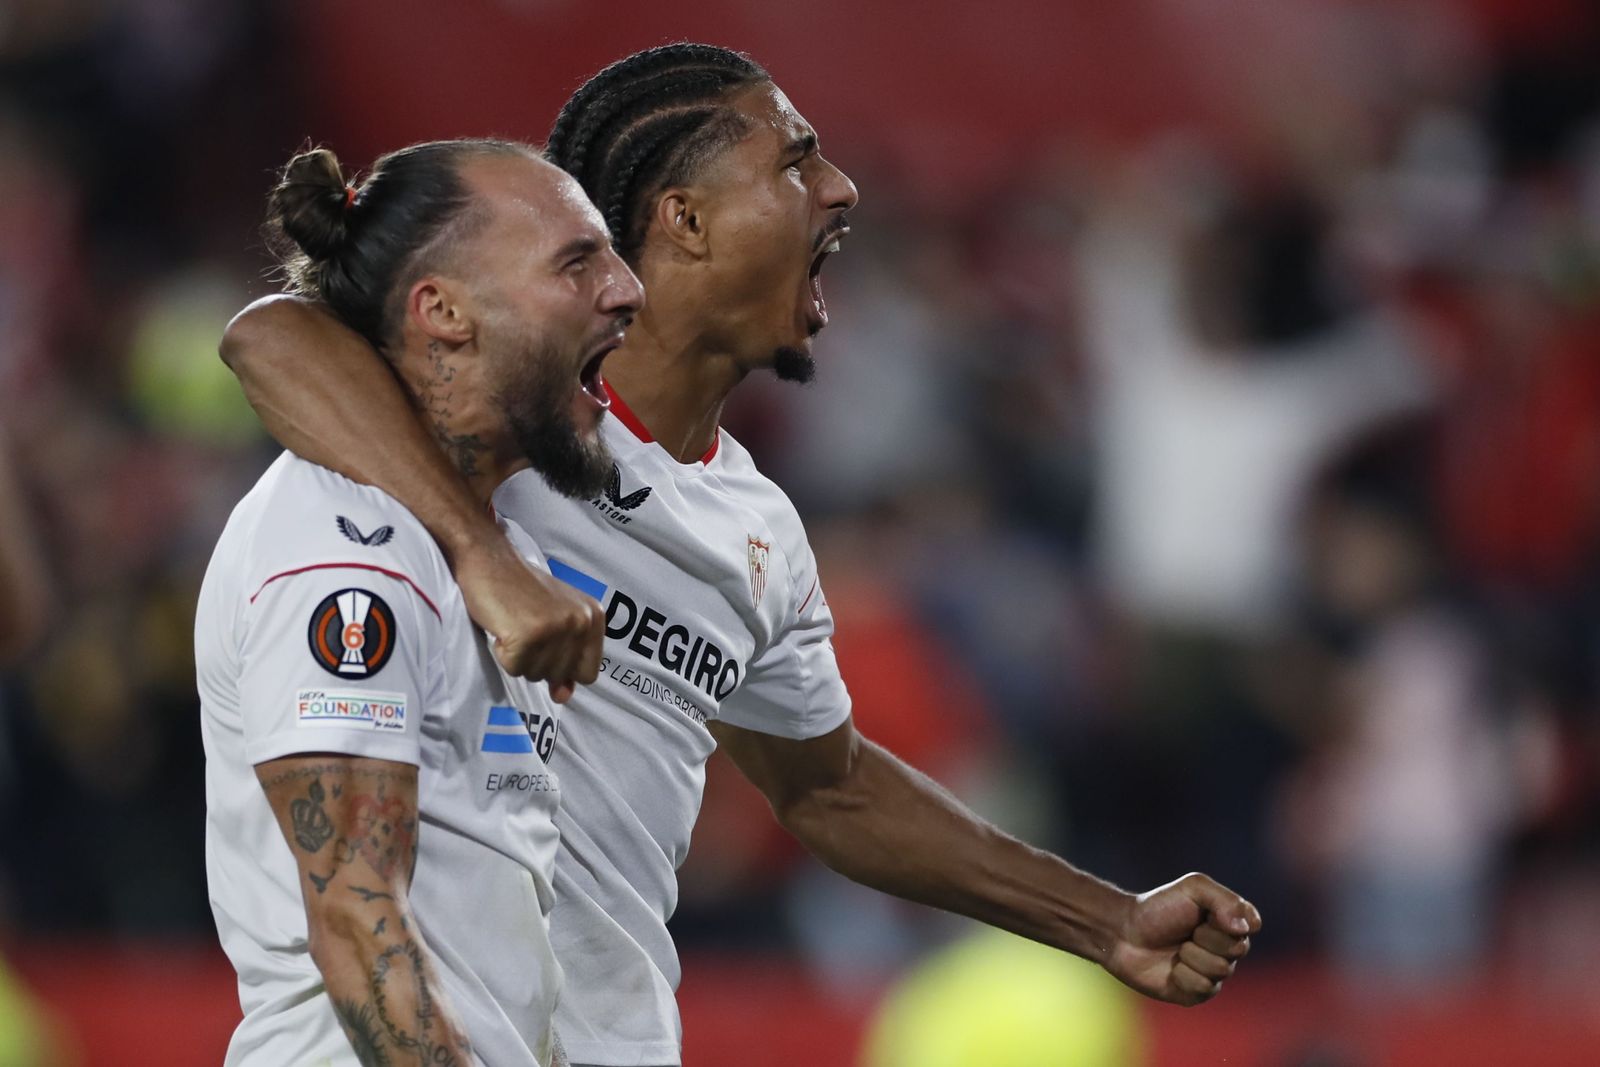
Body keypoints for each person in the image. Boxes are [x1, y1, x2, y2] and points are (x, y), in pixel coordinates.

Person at [220, 45, 1261, 1067]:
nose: (839, 187)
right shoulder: (488, 424)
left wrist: (1107, 918)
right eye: (796, 160)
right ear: (685, 217)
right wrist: (482, 550)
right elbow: (275, 337)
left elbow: (831, 785)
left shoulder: (747, 527)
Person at [198, 137, 642, 1066]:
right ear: (442, 311)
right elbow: (359, 922)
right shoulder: (346, 540)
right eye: (576, 261)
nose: (625, 288)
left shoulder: (494, 550)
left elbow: (484, 945)